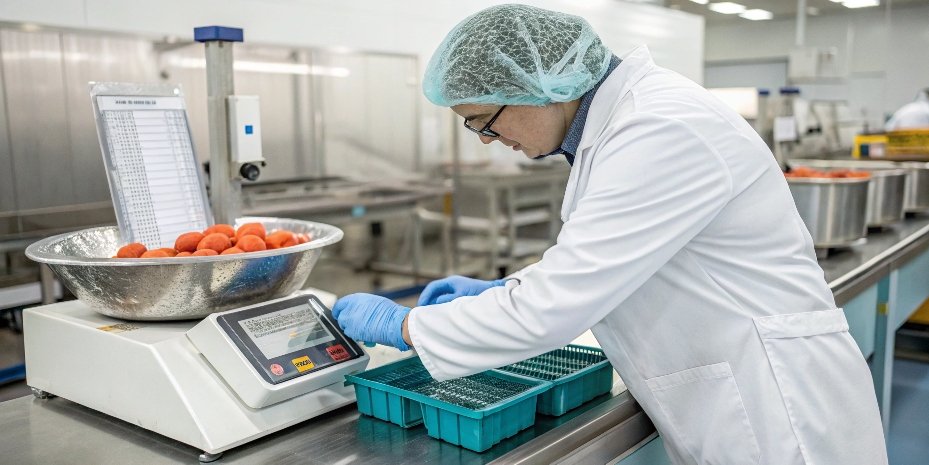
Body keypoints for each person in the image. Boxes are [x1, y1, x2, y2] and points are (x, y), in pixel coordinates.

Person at [332, 4, 888, 464]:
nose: (484, 138)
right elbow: (602, 263)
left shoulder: (658, 128)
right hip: (736, 391)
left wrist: (405, 324)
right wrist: (500, 293)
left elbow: (553, 309)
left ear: (535, 86)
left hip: (780, 412)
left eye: (483, 119)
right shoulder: (622, 126)